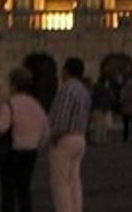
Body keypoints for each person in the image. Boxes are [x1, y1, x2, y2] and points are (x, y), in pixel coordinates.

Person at [0, 67, 49, 212]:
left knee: (8, 192)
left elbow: (1, 128)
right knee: (24, 190)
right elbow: (46, 131)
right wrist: (37, 143)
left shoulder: (10, 104)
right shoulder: (37, 105)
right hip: (30, 152)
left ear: (13, 85)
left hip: (12, 153)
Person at [49, 58, 91, 212]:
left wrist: (54, 136)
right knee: (74, 180)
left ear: (67, 71)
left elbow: (62, 116)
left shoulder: (67, 89)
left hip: (65, 139)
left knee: (60, 183)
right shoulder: (83, 91)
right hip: (80, 137)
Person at [89, 77, 112, 145]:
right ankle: (103, 139)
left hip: (97, 107)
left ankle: (97, 139)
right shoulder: (106, 89)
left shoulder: (96, 88)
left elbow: (92, 97)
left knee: (97, 125)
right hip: (105, 108)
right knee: (103, 125)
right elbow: (111, 98)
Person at [118, 76, 132, 144]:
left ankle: (126, 138)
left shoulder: (124, 90)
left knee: (126, 125)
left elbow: (121, 99)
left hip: (127, 109)